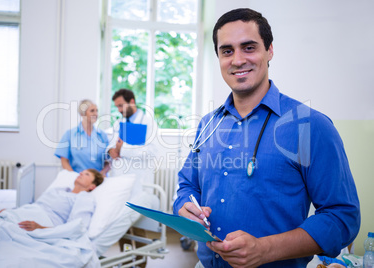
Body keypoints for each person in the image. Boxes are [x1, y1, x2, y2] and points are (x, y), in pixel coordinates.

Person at [173, 8, 360, 268]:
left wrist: (265, 249)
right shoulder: (208, 125)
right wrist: (184, 208)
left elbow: (342, 217)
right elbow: (187, 186)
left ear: (270, 50)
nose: (237, 60)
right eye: (227, 51)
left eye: (248, 47)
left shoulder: (309, 125)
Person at [0, 169, 104, 231]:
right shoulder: (59, 190)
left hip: (41, 222)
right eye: (82, 172)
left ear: (92, 187)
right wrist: (13, 211)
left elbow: (76, 228)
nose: (81, 173)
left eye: (87, 174)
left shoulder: (84, 198)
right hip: (28, 212)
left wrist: (40, 228)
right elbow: (36, 205)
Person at [106, 89, 158, 185]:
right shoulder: (118, 123)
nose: (119, 110)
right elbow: (112, 144)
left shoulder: (148, 123)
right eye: (117, 106)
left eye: (121, 105)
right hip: (118, 174)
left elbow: (151, 151)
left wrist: (123, 148)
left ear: (132, 102)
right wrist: (110, 151)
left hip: (139, 176)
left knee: (137, 199)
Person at [55, 99, 110, 176]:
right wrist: (75, 178)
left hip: (99, 180)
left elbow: (108, 161)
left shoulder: (103, 135)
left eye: (97, 111)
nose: (96, 114)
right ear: (82, 113)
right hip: (77, 178)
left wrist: (100, 176)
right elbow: (64, 160)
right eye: (92, 111)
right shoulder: (69, 135)